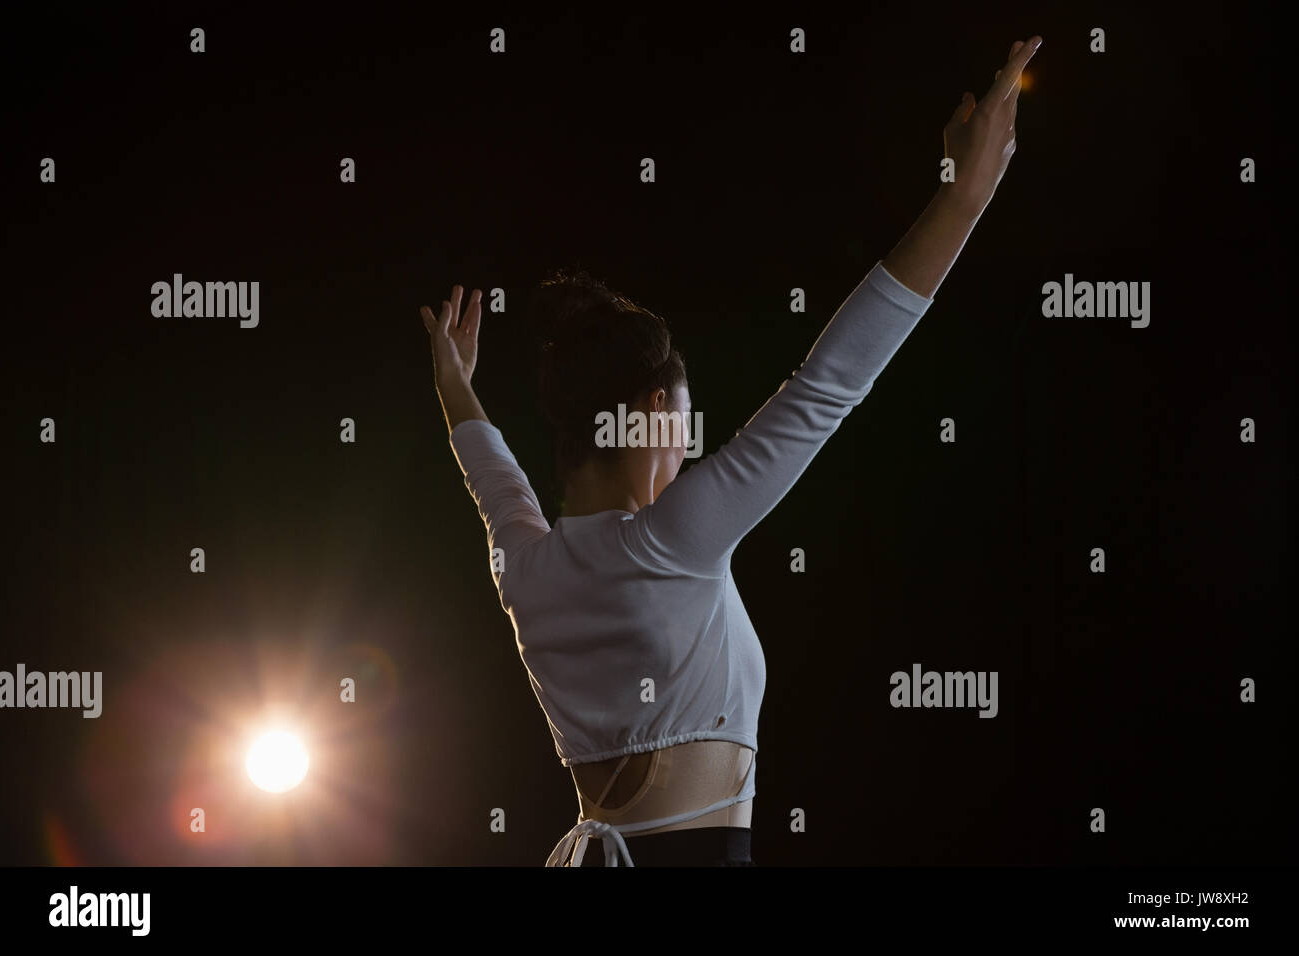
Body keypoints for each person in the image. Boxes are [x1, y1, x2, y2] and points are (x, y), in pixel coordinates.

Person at [420, 36, 1042, 866]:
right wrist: (964, 198)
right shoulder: (672, 540)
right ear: (651, 414)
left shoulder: (523, 567)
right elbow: (828, 384)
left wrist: (458, 388)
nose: (687, 446)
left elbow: (488, 471)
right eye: (685, 419)